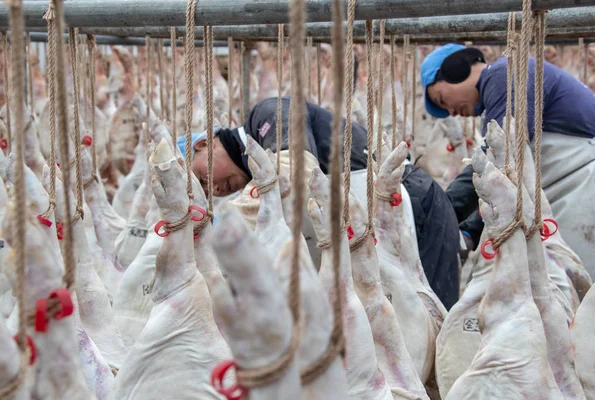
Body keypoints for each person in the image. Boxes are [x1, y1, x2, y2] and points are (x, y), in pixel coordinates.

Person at [179, 95, 461, 309]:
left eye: (201, 178)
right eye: (206, 191)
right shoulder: (261, 180)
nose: (213, 189)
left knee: (425, 322)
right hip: (379, 225)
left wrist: (225, 229)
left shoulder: (265, 114)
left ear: (204, 144)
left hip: (413, 205)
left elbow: (294, 166)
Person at [421, 43, 595, 280]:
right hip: (566, 189)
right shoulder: (499, 85)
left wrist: (446, 209)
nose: (451, 113)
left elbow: (499, 162)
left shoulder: (503, 75)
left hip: (583, 187)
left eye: (442, 100)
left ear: (456, 70)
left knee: (578, 294)